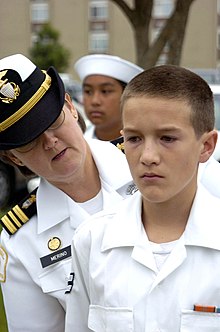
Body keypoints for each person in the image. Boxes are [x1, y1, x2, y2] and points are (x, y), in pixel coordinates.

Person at [65, 65, 220, 331]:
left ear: (206, 146)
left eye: (167, 138)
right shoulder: (93, 239)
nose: (147, 156)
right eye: (134, 139)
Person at [0, 53, 135, 332]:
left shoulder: (149, 163)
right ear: (14, 159)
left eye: (52, 120)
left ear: (71, 107)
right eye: (29, 139)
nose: (50, 141)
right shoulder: (20, 241)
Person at [74, 54, 143, 141]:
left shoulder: (143, 145)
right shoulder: (78, 141)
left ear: (126, 96)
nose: (95, 101)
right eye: (88, 91)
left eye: (105, 91)